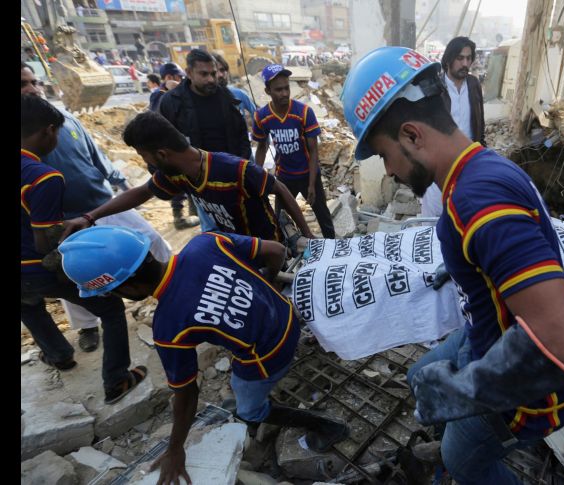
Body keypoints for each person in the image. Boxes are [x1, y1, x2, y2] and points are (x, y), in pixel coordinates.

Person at [341, 47, 564, 484]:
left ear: (412, 135)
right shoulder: (479, 168)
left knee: (463, 460)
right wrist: (466, 270)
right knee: (421, 376)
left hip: (529, 398)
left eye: (385, 155)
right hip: (487, 335)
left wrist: (466, 390)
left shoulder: (478, 201)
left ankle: (466, 459)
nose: (390, 171)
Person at [58, 225, 350, 484]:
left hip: (268, 357)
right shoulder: (206, 243)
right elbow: (275, 250)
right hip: (287, 316)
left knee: (247, 408)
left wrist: (175, 449)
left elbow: (187, 395)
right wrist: (269, 283)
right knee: (240, 380)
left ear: (126, 288)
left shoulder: (169, 326)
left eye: (110, 293)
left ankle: (324, 425)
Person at [22, 62, 172, 352]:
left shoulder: (64, 118)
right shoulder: (26, 140)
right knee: (79, 277)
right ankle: (88, 328)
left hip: (102, 201)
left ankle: (169, 290)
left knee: (151, 241)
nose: (30, 88)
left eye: (32, 81)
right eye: (21, 84)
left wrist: (116, 179)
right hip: (65, 220)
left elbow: (92, 153)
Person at [21, 94, 146, 403]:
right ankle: (116, 380)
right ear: (49, 131)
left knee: (29, 307)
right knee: (111, 308)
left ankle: (60, 355)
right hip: (35, 267)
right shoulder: (44, 177)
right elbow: (45, 242)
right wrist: (75, 269)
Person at [60, 110, 315, 245]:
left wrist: (308, 237)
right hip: (233, 247)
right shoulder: (177, 174)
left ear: (161, 153)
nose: (145, 163)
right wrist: (89, 217)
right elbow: (141, 192)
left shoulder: (235, 170)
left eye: (143, 155)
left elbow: (279, 189)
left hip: (269, 248)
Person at [254, 64, 336, 239]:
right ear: (268, 91)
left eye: (286, 88)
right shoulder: (262, 116)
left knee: (323, 217)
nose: (284, 93)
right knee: (279, 219)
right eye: (278, 89)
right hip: (284, 178)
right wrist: (256, 177)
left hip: (308, 175)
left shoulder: (304, 112)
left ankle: (333, 249)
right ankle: (285, 254)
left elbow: (314, 151)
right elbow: (261, 146)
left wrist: (312, 185)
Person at [420, 36, 486, 217]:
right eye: (460, 58)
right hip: (439, 165)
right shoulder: (435, 88)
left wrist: (482, 154)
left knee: (464, 214)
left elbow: (480, 122)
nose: (465, 63)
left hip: (468, 162)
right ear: (448, 59)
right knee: (434, 216)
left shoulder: (473, 85)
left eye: (468, 58)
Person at [147, 62, 199, 229]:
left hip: (177, 144)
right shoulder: (159, 95)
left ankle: (194, 212)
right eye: (179, 77)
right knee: (176, 180)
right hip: (167, 149)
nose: (181, 80)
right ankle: (179, 218)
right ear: (170, 77)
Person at [211, 53, 257, 130]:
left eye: (222, 70)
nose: (220, 75)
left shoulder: (239, 94)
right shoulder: (204, 99)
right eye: (215, 71)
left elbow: (257, 117)